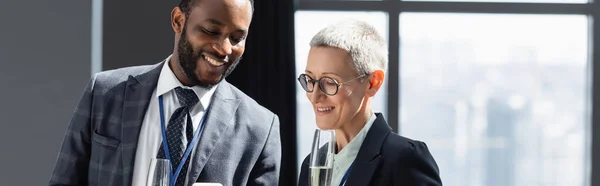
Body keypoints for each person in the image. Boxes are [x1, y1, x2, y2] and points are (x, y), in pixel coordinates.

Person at [48, 0, 281, 185]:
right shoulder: (105, 92)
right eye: (211, 31)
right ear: (179, 20)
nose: (225, 49)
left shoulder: (260, 127)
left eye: (237, 38)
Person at [297, 20, 442, 186]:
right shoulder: (312, 164)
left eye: (330, 82)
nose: (314, 96)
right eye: (310, 79)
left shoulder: (405, 159)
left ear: (373, 82)